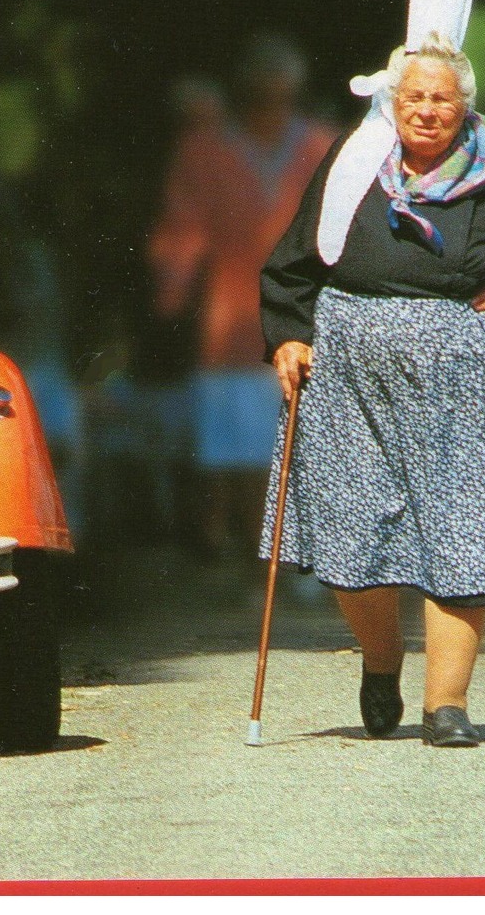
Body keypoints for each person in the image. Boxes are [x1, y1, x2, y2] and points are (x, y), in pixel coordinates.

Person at [259, 34, 485, 748]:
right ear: (391, 102)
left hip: (463, 375)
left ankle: (445, 705)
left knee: (462, 531)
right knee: (351, 530)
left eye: (441, 98)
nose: (426, 110)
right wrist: (288, 334)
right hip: (349, 367)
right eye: (412, 96)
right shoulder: (354, 160)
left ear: (462, 108)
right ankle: (381, 660)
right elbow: (296, 255)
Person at [148, 40, 337, 573]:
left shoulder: (319, 145)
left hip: (304, 319)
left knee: (300, 446)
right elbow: (182, 230)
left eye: (281, 99)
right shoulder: (206, 148)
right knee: (232, 455)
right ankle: (247, 560)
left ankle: (290, 562)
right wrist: (171, 294)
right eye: (260, 98)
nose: (271, 110)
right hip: (231, 321)